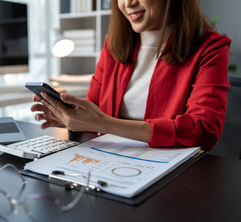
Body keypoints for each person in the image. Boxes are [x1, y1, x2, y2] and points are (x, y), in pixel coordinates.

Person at [30, 0, 231, 151]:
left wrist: (102, 123)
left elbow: (203, 130)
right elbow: (95, 107)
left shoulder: (210, 48)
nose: (128, 3)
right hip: (110, 160)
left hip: (170, 172)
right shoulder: (113, 46)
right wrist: (72, 119)